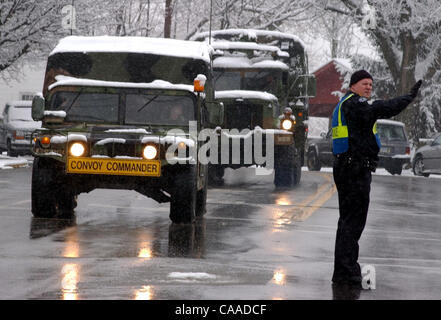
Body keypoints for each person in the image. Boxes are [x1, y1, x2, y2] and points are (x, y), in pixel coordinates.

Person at [331, 69, 422, 289]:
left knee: (348, 222)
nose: (369, 87)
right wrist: (408, 97)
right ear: (353, 86)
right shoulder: (354, 104)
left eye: (371, 84)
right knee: (352, 222)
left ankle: (344, 269)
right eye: (364, 83)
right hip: (353, 169)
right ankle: (346, 271)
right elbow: (382, 107)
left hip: (351, 168)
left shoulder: (353, 104)